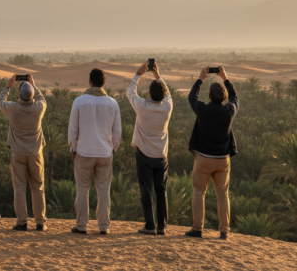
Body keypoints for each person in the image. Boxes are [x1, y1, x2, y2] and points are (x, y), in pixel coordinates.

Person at [184, 66, 239, 240]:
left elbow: (191, 97)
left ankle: (197, 229)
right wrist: (226, 78)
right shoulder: (229, 111)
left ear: (209, 96)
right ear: (224, 97)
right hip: (223, 160)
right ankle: (224, 231)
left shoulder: (202, 109)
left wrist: (201, 78)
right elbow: (236, 98)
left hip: (204, 159)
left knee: (199, 192)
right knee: (222, 194)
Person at [67, 68, 121, 235]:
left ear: (90, 82)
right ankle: (104, 227)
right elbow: (117, 132)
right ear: (103, 83)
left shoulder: (79, 101)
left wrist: (73, 147)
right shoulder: (113, 103)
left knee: (83, 189)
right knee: (103, 191)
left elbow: (72, 129)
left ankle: (81, 226)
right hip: (105, 153)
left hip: (83, 151)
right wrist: (113, 148)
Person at [0, 74, 47, 231]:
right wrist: (34, 85)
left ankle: (22, 222)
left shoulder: (12, 108)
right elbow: (42, 99)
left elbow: (0, 102)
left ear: (19, 94)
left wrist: (8, 87)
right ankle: (40, 222)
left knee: (19, 188)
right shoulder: (39, 108)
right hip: (35, 154)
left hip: (18, 153)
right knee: (38, 187)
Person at [128, 61, 173, 236]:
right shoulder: (167, 107)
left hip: (144, 155)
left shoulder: (141, 107)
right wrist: (157, 75)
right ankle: (161, 227)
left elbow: (130, 91)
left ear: (148, 93)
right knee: (161, 190)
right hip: (161, 156)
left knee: (146, 189)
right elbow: (167, 92)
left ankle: (149, 225)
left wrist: (138, 74)